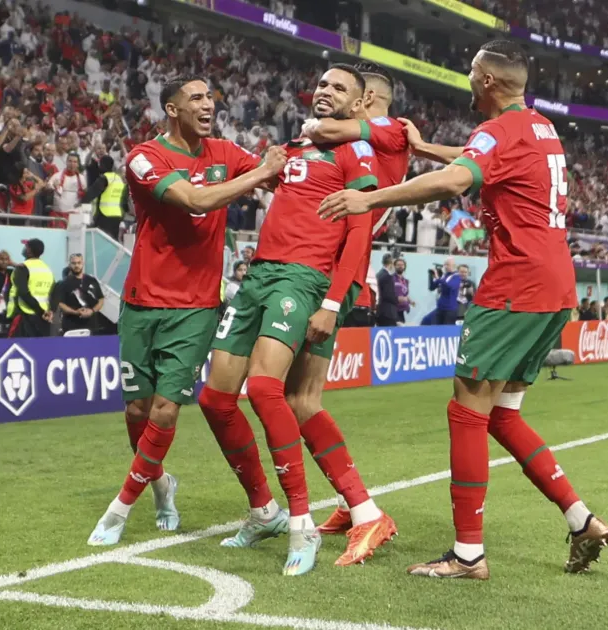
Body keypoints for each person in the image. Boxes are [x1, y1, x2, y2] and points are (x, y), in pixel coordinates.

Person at [318, 40, 608, 579]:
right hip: (555, 282)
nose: (467, 79)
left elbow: (462, 178)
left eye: (471, 71)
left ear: (489, 82)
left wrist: (372, 198)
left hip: (515, 283)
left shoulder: (496, 131)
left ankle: (468, 554)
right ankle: (580, 518)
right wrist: (427, 148)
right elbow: (481, 164)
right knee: (503, 415)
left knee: (467, 409)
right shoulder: (540, 128)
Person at [86, 75, 287, 548]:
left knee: (165, 409)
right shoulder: (144, 158)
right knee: (137, 409)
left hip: (196, 307)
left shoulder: (224, 152)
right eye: (195, 98)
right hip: (140, 303)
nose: (207, 103)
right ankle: (160, 484)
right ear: (172, 110)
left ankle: (118, 510)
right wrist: (259, 174)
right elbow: (195, 202)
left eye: (210, 96)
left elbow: (281, 173)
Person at [197, 64, 378, 577]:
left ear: (358, 105)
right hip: (258, 276)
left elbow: (360, 233)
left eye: (339, 88)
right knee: (214, 398)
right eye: (322, 84)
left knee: (265, 389)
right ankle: (263, 512)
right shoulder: (293, 148)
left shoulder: (354, 152)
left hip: (304, 281)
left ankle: (302, 522)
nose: (326, 92)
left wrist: (333, 301)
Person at [284, 61, 408, 566]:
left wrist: (316, 128)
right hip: (330, 266)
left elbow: (326, 127)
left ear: (369, 102)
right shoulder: (375, 144)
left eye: (353, 96)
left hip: (333, 272)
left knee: (301, 398)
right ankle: (352, 501)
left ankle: (365, 509)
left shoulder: (387, 136)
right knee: (296, 396)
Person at [7, 238, 55, 338]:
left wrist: (40, 311)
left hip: (24, 316)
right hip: (43, 318)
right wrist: (47, 311)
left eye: (26, 246)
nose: (24, 248)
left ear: (28, 250)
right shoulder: (47, 269)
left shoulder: (23, 268)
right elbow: (53, 292)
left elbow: (24, 293)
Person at [78, 155, 126, 240]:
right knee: (113, 241)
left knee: (102, 240)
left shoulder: (105, 178)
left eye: (100, 164)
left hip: (105, 214)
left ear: (103, 165)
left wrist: (80, 202)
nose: (99, 166)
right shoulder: (118, 179)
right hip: (117, 215)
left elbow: (92, 192)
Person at [57, 254, 104, 334]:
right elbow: (60, 303)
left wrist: (92, 311)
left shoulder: (92, 280)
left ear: (83, 263)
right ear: (69, 265)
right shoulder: (63, 283)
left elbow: (101, 299)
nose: (76, 265)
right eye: (74, 263)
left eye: (79, 263)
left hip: (91, 325)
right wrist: (75, 312)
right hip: (71, 326)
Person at [428, 257, 462, 325]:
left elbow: (450, 286)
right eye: (445, 265)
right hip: (440, 307)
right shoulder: (444, 276)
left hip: (450, 309)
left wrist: (438, 278)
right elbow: (432, 287)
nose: (445, 267)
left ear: (454, 266)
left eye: (448, 264)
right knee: (435, 328)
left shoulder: (457, 277)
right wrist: (431, 276)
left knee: (447, 330)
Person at [374, 253, 400, 326]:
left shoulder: (378, 274)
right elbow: (389, 295)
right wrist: (397, 299)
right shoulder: (387, 277)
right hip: (388, 313)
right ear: (391, 263)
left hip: (380, 312)